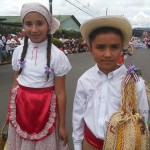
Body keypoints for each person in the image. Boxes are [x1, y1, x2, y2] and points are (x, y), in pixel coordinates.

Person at [72, 16, 149, 150]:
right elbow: (78, 116)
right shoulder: (85, 80)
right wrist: (78, 144)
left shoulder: (134, 82)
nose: (107, 54)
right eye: (100, 47)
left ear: (122, 48)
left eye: (114, 47)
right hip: (90, 144)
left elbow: (143, 116)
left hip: (123, 145)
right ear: (90, 48)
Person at [7, 2, 71, 150]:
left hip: (44, 111)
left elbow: (61, 93)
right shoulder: (18, 51)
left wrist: (62, 125)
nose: (34, 29)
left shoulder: (57, 56)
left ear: (48, 25)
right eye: (28, 24)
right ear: (23, 25)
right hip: (20, 109)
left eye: (39, 23)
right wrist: (10, 112)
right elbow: (15, 85)